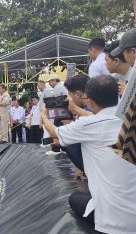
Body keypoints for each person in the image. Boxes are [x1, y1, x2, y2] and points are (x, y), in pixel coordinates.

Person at [41, 75, 136, 233]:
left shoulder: (87, 124)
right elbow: (100, 120)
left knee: (75, 198)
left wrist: (44, 115)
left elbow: (53, 132)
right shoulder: (128, 119)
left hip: (112, 222)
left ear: (88, 100)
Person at [42, 75, 68, 155]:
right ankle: (63, 148)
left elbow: (56, 102)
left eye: (49, 81)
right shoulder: (62, 87)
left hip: (59, 112)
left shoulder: (58, 88)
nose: (49, 84)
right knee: (62, 130)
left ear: (54, 80)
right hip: (64, 112)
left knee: (57, 130)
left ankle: (55, 149)